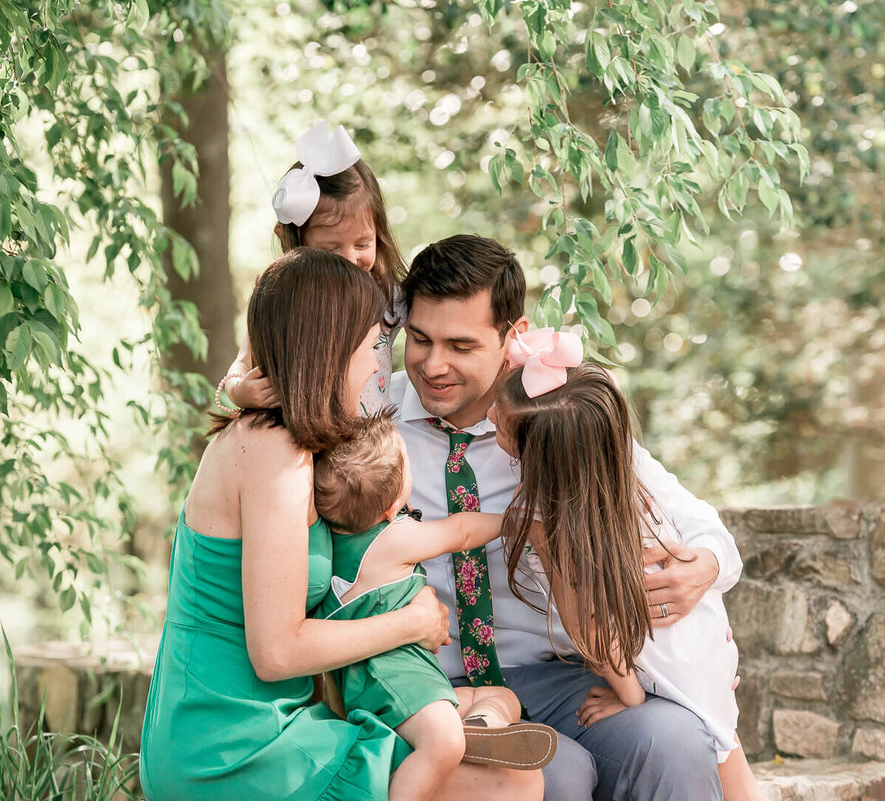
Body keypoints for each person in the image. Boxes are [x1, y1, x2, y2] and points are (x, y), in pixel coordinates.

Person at [138, 248, 542, 801]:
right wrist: (413, 621)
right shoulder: (271, 454)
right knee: (506, 785)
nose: (379, 365)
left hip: (268, 721)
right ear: (331, 350)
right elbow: (276, 652)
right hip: (230, 743)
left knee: (501, 765)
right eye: (370, 345)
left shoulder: (291, 442)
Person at [391, 234, 744, 800]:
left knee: (672, 740)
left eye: (460, 344)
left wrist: (704, 565)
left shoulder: (557, 422)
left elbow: (704, 528)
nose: (433, 365)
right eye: (420, 339)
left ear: (514, 336)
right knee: (557, 773)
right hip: (438, 683)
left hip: (560, 676)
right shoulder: (373, 422)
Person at [491, 345, 764, 801]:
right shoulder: (613, 468)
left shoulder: (549, 521)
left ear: (536, 454)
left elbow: (593, 633)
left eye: (499, 424)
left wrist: (630, 697)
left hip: (667, 657)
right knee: (730, 755)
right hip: (700, 638)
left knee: (730, 770)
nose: (492, 421)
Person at [313, 411, 558, 800]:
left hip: (384, 683)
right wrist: (514, 522)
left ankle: (482, 724)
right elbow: (461, 531)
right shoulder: (394, 540)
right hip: (395, 678)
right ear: (391, 508)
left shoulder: (331, 543)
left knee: (498, 697)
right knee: (443, 744)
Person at [221, 122, 405, 417]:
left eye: (362, 243)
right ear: (291, 242)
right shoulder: (280, 301)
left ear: (378, 235)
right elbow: (242, 362)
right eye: (330, 250)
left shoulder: (390, 296)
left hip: (372, 446)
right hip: (308, 445)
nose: (348, 259)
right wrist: (238, 390)